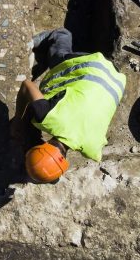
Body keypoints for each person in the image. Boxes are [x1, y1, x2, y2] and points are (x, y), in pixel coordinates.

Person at [11, 28, 126, 184]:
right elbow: (26, 85)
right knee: (57, 60)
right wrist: (18, 119)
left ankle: (60, 38)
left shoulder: (94, 149)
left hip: (116, 82)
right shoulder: (48, 116)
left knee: (58, 61)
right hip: (96, 70)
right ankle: (61, 36)